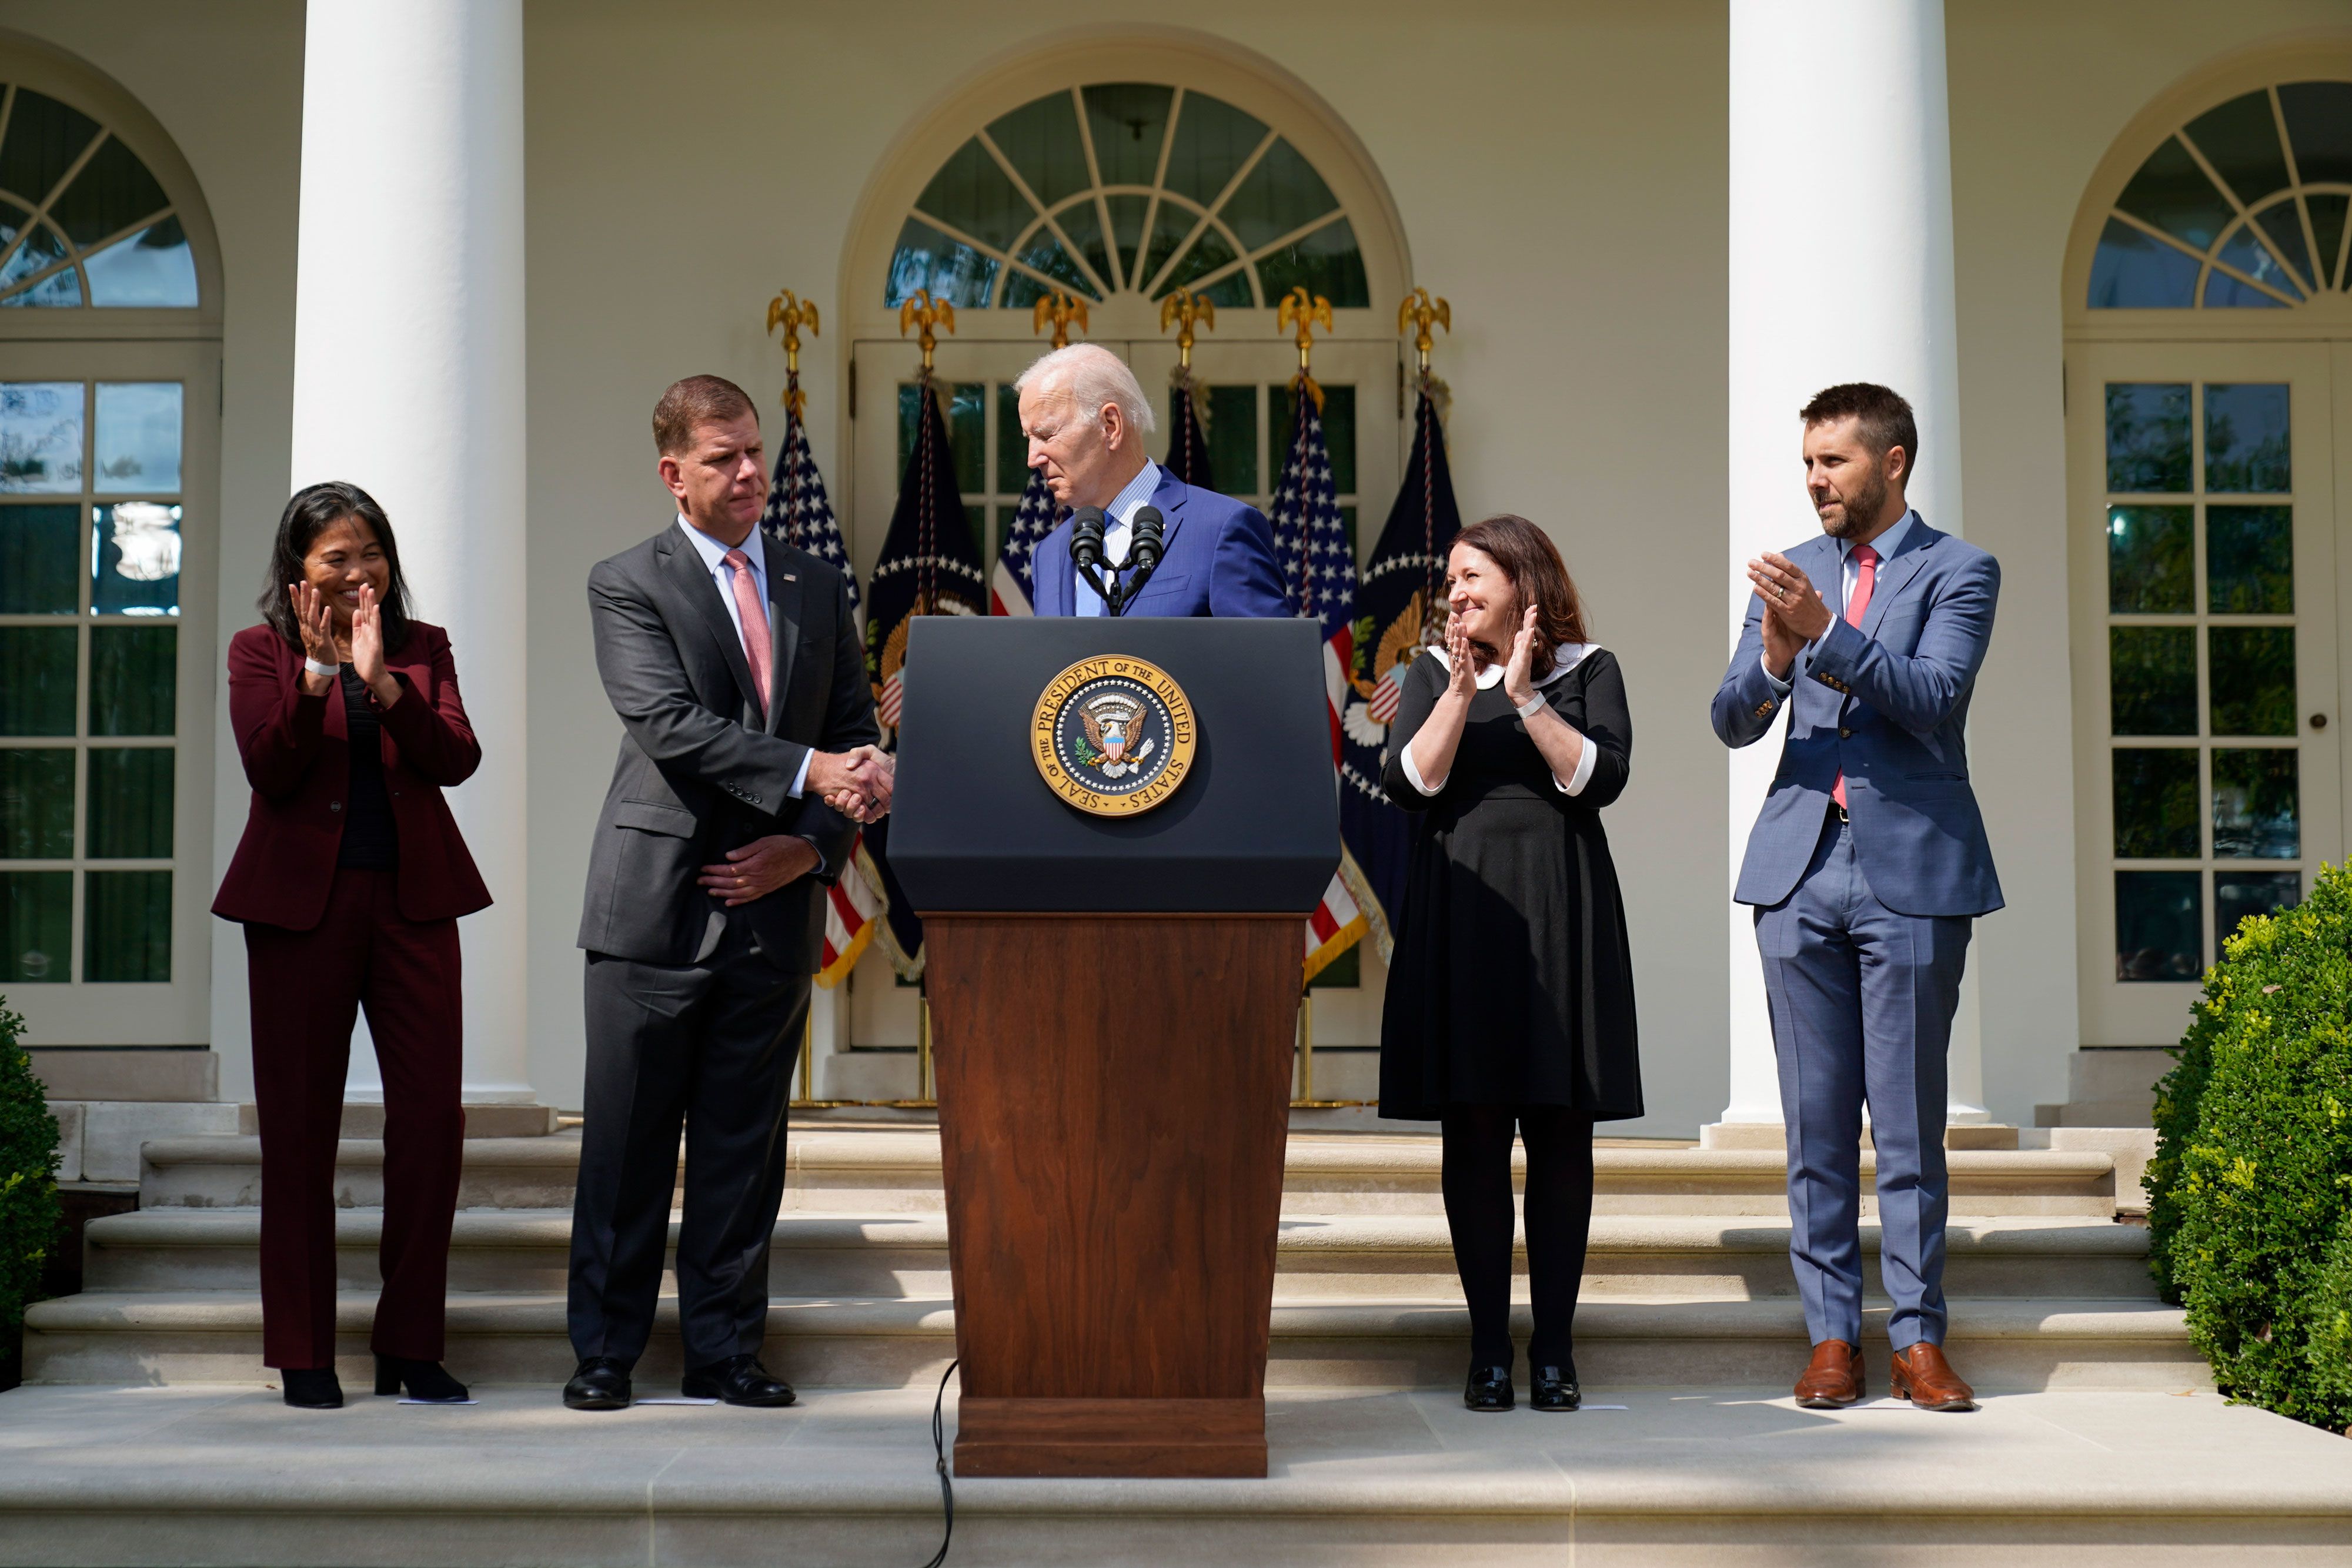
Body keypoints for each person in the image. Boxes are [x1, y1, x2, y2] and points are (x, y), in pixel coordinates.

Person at [564, 375, 889, 1412]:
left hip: (773, 910)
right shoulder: (628, 582)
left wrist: (810, 847)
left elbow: (856, 739)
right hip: (654, 907)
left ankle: (725, 1355)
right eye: (722, 458)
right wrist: (813, 774)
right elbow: (667, 723)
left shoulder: (814, 584)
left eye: (753, 451)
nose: (750, 472)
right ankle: (606, 1355)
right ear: (674, 474)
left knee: (744, 1155)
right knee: (625, 1151)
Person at [1712, 382, 2002, 1414]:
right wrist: (1776, 657)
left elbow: (1933, 699)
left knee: (1912, 1122)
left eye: (1833, 461)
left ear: (1892, 463)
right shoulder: (1790, 575)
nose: (1815, 479)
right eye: (1808, 462)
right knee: (1816, 1120)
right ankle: (1832, 1335)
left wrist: (1824, 634)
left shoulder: (1960, 570)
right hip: (1797, 869)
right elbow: (1732, 717)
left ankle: (1919, 1339)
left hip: (1913, 873)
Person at [213, 481, 489, 1410]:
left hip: (415, 906)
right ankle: (303, 1349)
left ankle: (411, 1344)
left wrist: (380, 677)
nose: (357, 569)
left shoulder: (422, 647)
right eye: (336, 555)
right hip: (300, 914)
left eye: (369, 550)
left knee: (428, 1125)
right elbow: (270, 764)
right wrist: (320, 674)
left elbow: (456, 757)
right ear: (298, 570)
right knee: (299, 1132)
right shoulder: (259, 651)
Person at [1378, 514, 1639, 1414]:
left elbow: (1599, 779)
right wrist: (1459, 692)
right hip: (1465, 911)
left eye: (1471, 575)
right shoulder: (1427, 672)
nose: (1454, 591)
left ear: (1524, 581)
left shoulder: (1587, 668)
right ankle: (1490, 1348)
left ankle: (1556, 1350)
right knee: (1477, 1133)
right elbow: (1409, 782)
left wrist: (1526, 695)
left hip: (1562, 905)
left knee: (1563, 1131)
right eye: (1450, 579)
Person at [1019, 343, 1284, 617]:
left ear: (1110, 426)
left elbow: (1269, 658)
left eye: (1047, 435)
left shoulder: (1220, 530)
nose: (1033, 459)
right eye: (1030, 440)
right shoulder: (1049, 554)